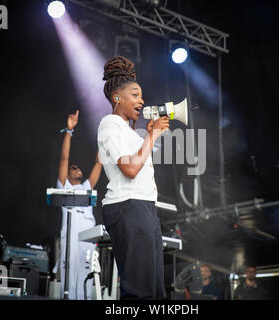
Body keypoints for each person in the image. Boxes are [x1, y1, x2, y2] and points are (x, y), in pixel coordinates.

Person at [97, 56, 169, 300]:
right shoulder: (110, 123)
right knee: (140, 291)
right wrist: (152, 136)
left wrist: (150, 136)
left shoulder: (133, 134)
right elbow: (130, 169)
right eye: (135, 95)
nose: (142, 100)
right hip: (128, 206)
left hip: (145, 207)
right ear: (117, 97)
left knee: (156, 290)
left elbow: (141, 161)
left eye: (141, 96)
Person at [55, 110, 103, 300]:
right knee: (70, 279)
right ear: (67, 174)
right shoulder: (63, 185)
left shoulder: (86, 187)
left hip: (87, 238)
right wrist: (69, 130)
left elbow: (98, 164)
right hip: (71, 238)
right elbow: (64, 158)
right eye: (73, 168)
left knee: (87, 276)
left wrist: (103, 139)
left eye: (78, 167)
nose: (78, 169)